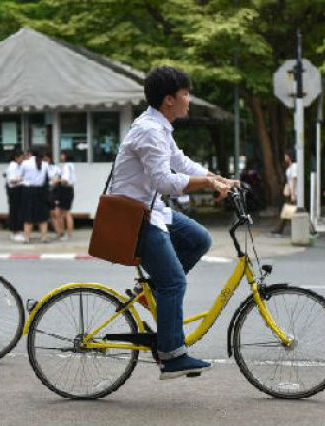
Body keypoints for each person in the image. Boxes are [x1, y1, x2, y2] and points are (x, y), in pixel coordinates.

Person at [109, 66, 237, 379]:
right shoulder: (149, 131)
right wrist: (207, 185)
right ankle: (171, 355)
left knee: (199, 239)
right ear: (169, 99)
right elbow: (164, 181)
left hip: (151, 212)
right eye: (185, 94)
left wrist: (217, 177)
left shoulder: (161, 127)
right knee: (175, 282)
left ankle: (155, 291)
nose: (188, 99)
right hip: (132, 217)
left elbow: (180, 162)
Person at [20, 148, 50, 243]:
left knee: (28, 214)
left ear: (30, 154)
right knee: (42, 215)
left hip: (28, 191)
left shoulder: (25, 163)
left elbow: (20, 176)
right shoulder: (45, 164)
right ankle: (44, 238)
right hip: (41, 191)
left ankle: (26, 238)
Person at [271, 150, 297, 235]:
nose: (285, 157)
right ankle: (279, 229)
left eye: (286, 155)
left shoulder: (294, 166)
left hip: (295, 193)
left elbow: (294, 180)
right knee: (287, 210)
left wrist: (293, 194)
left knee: (292, 211)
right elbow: (289, 181)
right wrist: (287, 189)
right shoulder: (290, 167)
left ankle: (279, 229)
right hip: (291, 192)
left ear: (289, 157)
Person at [6, 150, 25, 242]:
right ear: (16, 158)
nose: (23, 159)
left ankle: (17, 231)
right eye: (21, 157)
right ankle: (15, 232)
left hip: (17, 190)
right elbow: (12, 180)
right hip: (14, 190)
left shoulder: (17, 165)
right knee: (15, 211)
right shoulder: (13, 166)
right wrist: (22, 179)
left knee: (18, 211)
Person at [57, 151, 76, 240]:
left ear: (65, 156)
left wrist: (56, 180)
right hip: (70, 190)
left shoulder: (66, 166)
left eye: (62, 155)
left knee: (65, 213)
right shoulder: (71, 165)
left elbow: (65, 180)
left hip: (65, 190)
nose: (61, 156)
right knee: (66, 212)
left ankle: (66, 234)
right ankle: (69, 234)